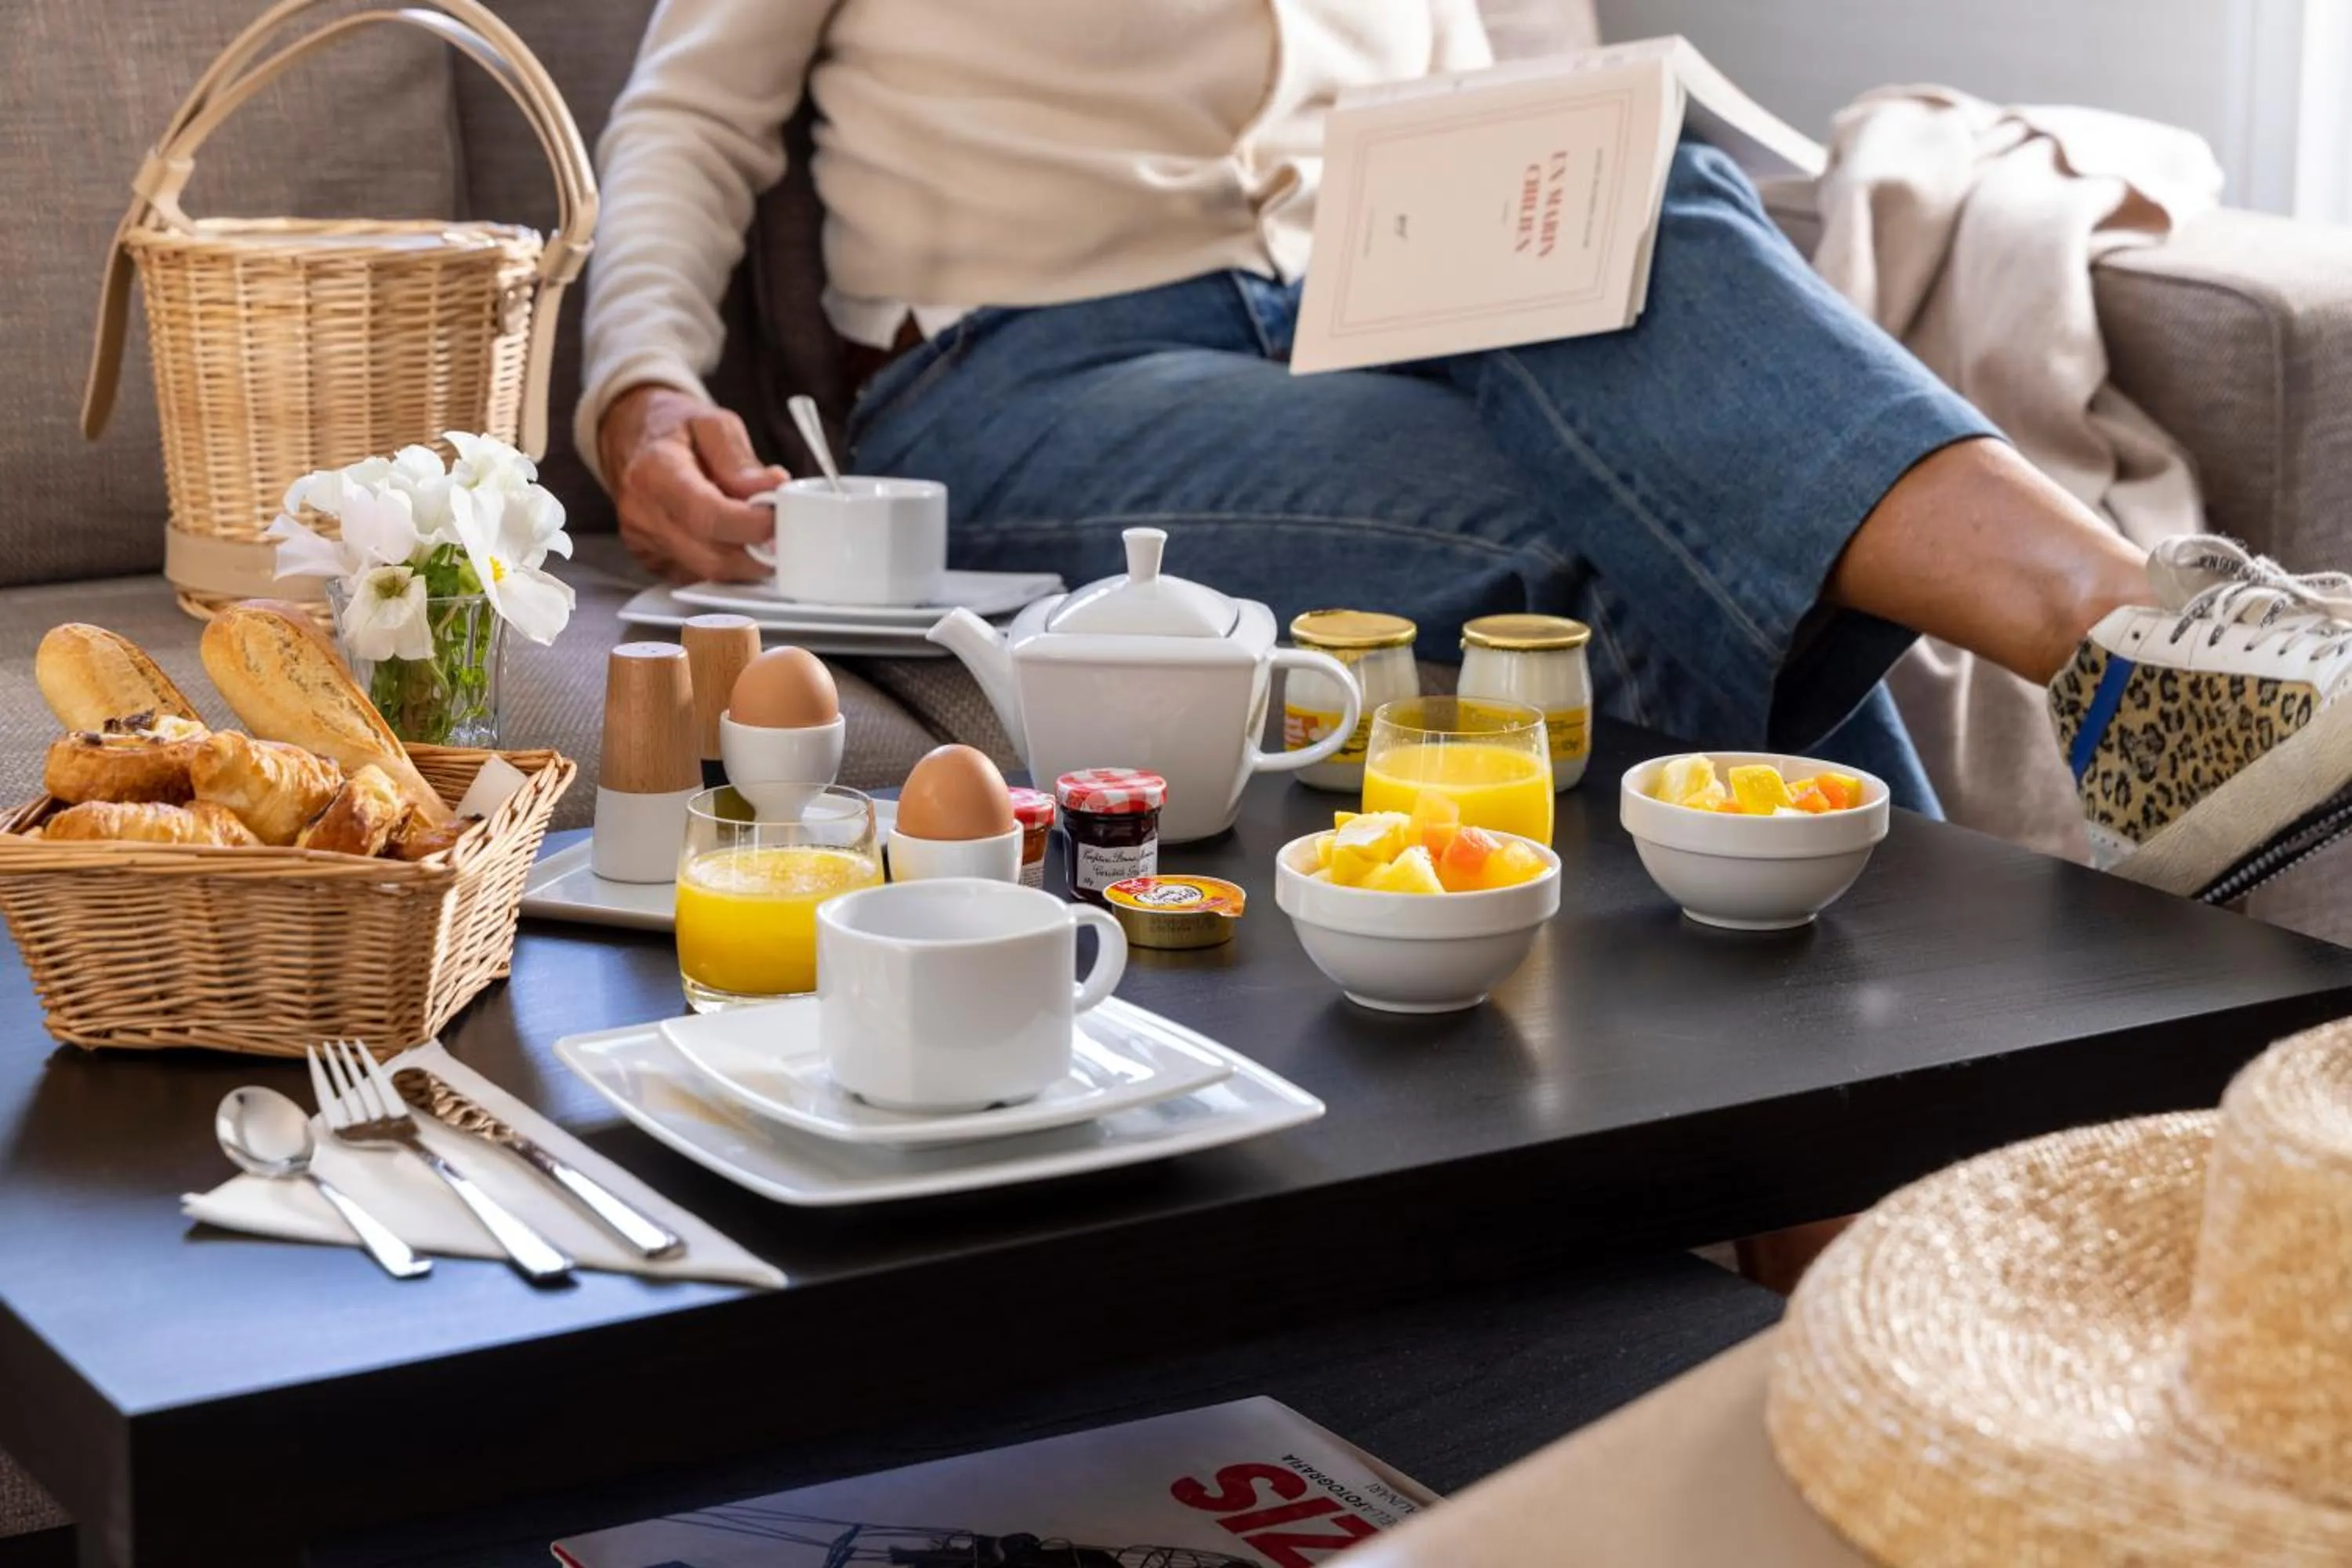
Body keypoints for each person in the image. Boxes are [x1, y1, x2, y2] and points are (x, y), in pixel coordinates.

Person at [583, 0, 2352, 902]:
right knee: (1644, 523)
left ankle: (2132, 647)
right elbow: (689, 115)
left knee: (1641, 195)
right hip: (1039, 371)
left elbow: (1545, 95)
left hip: (1413, 302)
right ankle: (1897, 1169)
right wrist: (645, 388)